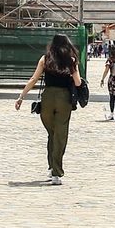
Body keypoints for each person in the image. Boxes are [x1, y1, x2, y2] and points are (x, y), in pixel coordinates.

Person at [15, 33, 84, 185]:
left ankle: (51, 166)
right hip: (64, 99)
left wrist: (21, 96)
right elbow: (78, 82)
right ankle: (56, 173)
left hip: (47, 98)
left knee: (52, 133)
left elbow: (34, 79)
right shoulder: (71, 60)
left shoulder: (45, 59)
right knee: (60, 135)